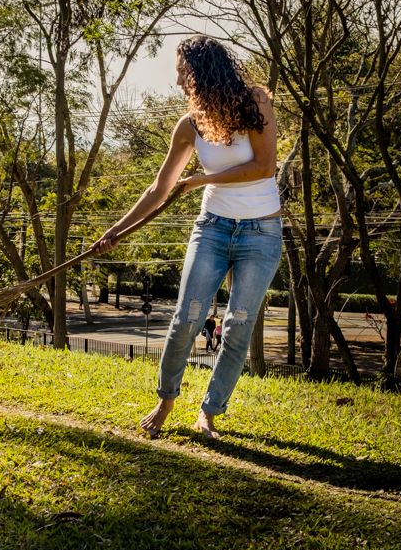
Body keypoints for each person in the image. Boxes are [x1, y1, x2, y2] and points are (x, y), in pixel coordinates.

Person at [94, 35, 282, 440]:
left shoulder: (256, 102)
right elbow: (159, 189)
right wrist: (117, 231)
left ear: (205, 72)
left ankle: (209, 413)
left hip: (261, 232)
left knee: (238, 325)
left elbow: (265, 167)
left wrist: (202, 179)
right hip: (212, 229)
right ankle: (165, 400)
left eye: (184, 71)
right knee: (186, 318)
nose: (179, 80)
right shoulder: (189, 124)